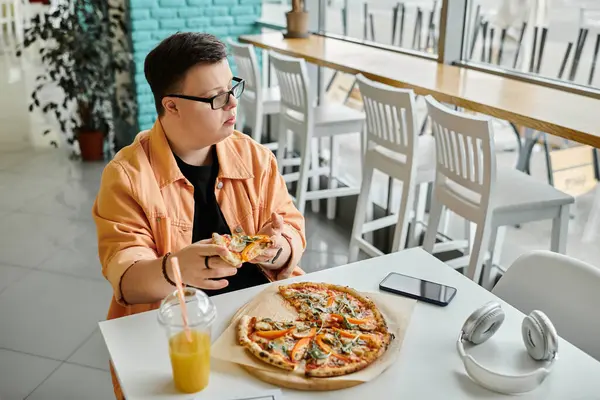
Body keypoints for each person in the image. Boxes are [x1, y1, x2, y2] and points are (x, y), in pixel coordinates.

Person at [92, 32, 306, 399]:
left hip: (262, 322)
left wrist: (279, 249)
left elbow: (293, 227)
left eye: (232, 89)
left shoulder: (254, 158)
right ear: (171, 106)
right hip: (178, 333)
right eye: (215, 98)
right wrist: (175, 269)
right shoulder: (127, 175)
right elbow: (125, 279)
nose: (232, 106)